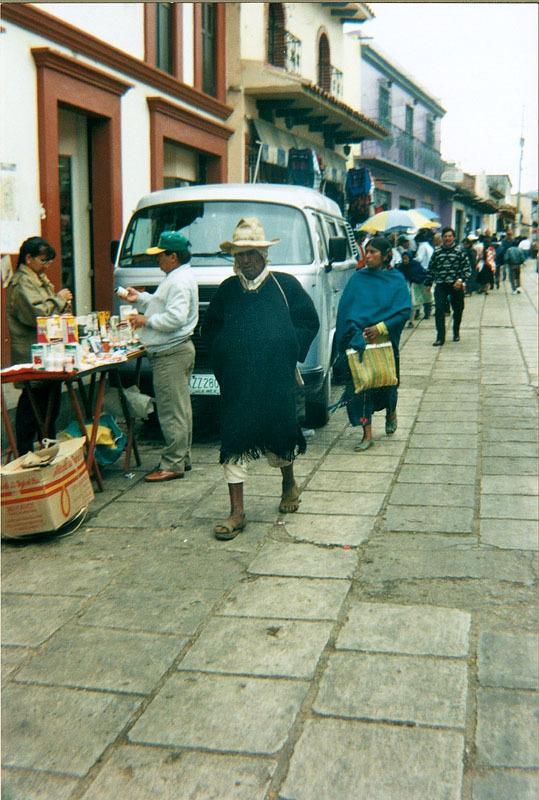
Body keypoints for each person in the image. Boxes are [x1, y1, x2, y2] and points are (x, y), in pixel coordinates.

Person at [202, 218, 319, 540]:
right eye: (239, 255)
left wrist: (285, 348)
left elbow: (308, 322)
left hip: (275, 380)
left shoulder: (285, 286)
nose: (245, 261)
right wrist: (223, 355)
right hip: (238, 382)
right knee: (235, 439)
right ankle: (237, 512)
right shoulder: (227, 290)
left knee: (280, 434)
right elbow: (210, 330)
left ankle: (288, 483)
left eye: (251, 253)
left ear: (264, 255)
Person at [124, 231, 198, 481]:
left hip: (171, 353)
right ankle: (181, 458)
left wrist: (146, 320)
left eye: (161, 255)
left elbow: (175, 317)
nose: (158, 260)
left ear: (173, 256)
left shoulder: (177, 280)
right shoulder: (178, 276)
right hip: (176, 350)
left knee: (171, 411)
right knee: (180, 409)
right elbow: (163, 305)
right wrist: (141, 299)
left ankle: (173, 463)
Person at [334, 236, 411, 451]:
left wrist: (381, 328)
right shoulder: (358, 278)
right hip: (360, 343)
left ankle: (391, 412)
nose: (367, 256)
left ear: (386, 255)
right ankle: (367, 434)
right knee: (361, 388)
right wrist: (355, 332)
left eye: (372, 252)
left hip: (385, 343)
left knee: (388, 385)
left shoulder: (396, 280)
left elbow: (404, 311)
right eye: (366, 251)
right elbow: (346, 311)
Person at [6, 236, 73, 455]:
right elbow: (39, 314)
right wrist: (60, 299)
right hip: (31, 355)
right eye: (43, 261)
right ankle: (24, 455)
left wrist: (62, 307)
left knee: (49, 407)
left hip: (47, 354)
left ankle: (47, 452)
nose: (46, 267)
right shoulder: (21, 283)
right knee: (31, 407)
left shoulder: (37, 278)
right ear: (28, 258)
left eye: (48, 263)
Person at [424, 226, 471, 346]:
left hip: (455, 285)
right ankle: (440, 337)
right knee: (439, 310)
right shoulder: (437, 251)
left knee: (458, 309)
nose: (447, 238)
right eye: (445, 236)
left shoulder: (460, 251)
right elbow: (431, 268)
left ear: (454, 237)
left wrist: (460, 280)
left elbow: (467, 269)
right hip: (441, 285)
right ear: (442, 238)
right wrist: (428, 283)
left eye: (450, 236)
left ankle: (456, 331)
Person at [398, 250, 429, 327]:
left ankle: (411, 321)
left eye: (406, 259)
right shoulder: (401, 267)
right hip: (404, 288)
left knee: (413, 305)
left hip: (414, 288)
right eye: (403, 259)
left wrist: (414, 279)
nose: (405, 261)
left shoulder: (415, 265)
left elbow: (422, 275)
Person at [414, 228, 434, 317]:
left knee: (418, 292)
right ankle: (427, 312)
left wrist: (412, 259)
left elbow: (419, 259)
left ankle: (417, 312)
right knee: (427, 292)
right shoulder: (429, 246)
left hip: (422, 271)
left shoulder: (422, 246)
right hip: (429, 271)